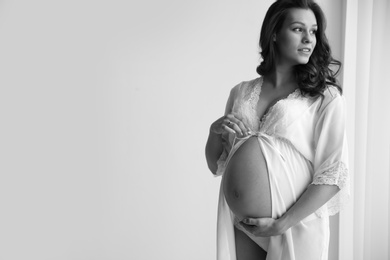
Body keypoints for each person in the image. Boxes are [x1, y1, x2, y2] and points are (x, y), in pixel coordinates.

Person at [205, 0, 350, 259]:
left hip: (294, 224)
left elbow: (333, 174)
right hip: (242, 223)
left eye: (313, 31)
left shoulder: (325, 96)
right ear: (274, 33)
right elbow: (217, 164)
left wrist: (282, 223)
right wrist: (214, 132)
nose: (309, 39)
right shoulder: (241, 91)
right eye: (298, 29)